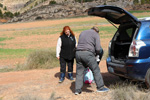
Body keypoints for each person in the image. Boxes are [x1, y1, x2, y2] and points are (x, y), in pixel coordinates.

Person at [75, 26, 109, 95]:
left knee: (79, 72)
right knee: (95, 70)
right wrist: (96, 54)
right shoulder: (95, 34)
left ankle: (77, 90)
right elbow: (98, 48)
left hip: (78, 53)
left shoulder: (82, 32)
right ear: (96, 31)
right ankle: (100, 87)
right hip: (88, 54)